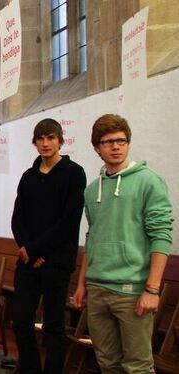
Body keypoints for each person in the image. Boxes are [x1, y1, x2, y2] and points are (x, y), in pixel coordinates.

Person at [73, 114, 174, 373]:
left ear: (128, 143)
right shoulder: (92, 189)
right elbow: (91, 236)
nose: (116, 146)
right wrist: (82, 285)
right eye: (108, 142)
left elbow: (161, 235)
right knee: (107, 363)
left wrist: (152, 290)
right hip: (97, 289)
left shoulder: (148, 181)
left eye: (121, 140)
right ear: (97, 148)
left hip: (132, 291)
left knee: (137, 367)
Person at [10, 119, 86, 374]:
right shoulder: (29, 176)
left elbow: (68, 222)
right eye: (40, 138)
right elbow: (17, 218)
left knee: (53, 327)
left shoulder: (74, 173)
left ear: (60, 140)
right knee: (21, 321)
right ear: (35, 142)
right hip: (29, 261)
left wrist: (35, 251)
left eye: (51, 138)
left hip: (56, 262)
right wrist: (27, 249)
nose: (45, 143)